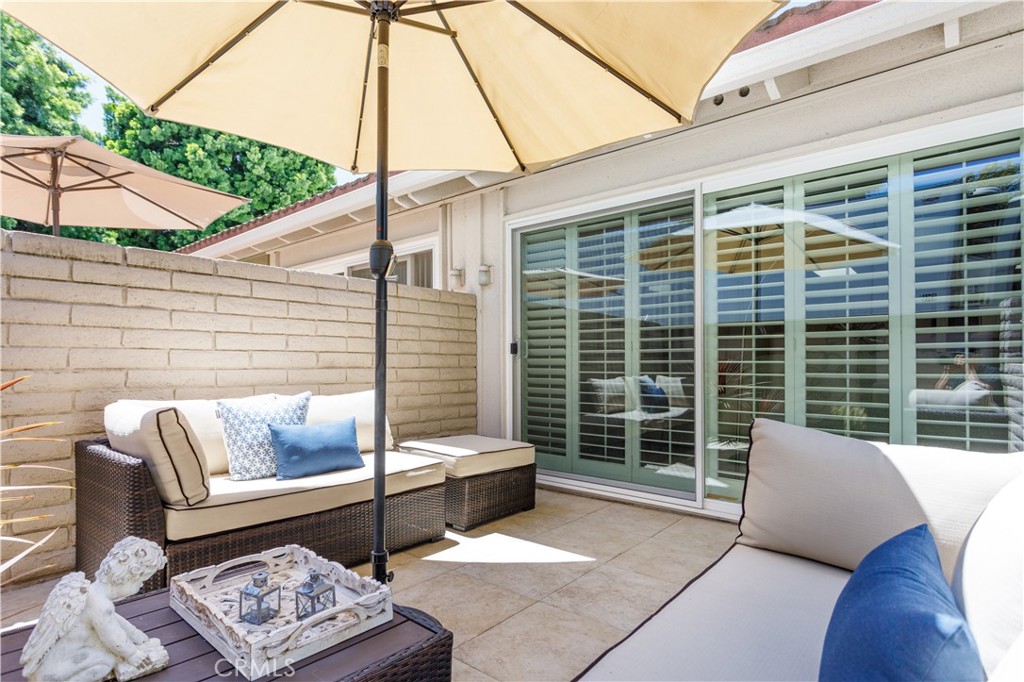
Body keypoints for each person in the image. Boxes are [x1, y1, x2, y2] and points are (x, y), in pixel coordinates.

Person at [20, 537, 169, 682]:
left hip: (58, 661)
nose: (141, 586)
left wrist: (136, 636)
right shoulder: (102, 606)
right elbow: (114, 639)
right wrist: (133, 654)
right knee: (106, 661)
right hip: (58, 671)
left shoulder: (89, 593)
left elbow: (115, 620)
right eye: (141, 581)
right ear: (126, 578)